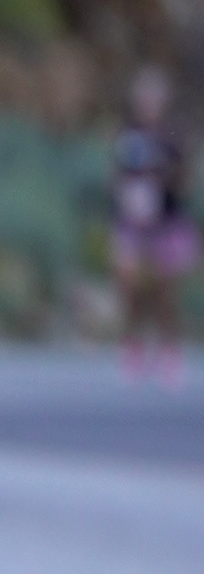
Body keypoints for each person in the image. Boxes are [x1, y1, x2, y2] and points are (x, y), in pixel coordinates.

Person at [109, 66, 194, 377]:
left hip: (166, 222)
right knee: (129, 283)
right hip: (132, 221)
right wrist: (125, 195)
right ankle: (132, 345)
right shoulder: (127, 135)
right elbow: (115, 176)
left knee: (163, 290)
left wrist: (162, 178)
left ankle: (169, 348)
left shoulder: (174, 136)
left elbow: (184, 179)